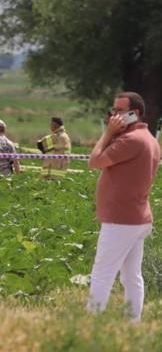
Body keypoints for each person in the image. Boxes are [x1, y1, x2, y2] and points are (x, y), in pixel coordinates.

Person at [86, 92, 161, 322]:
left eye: (119, 111)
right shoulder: (149, 138)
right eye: (113, 110)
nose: (113, 115)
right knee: (131, 277)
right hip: (136, 218)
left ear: (134, 113)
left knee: (102, 274)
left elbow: (94, 161)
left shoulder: (131, 140)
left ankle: (91, 325)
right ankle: (133, 323)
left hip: (121, 221)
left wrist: (108, 132)